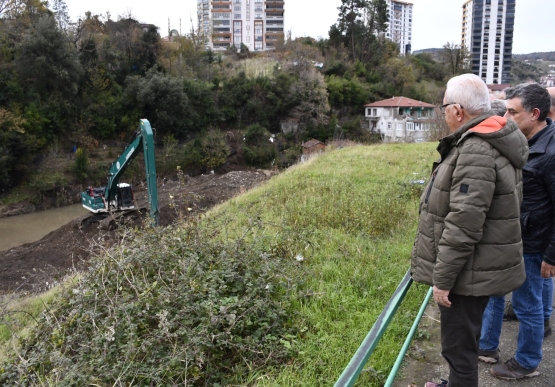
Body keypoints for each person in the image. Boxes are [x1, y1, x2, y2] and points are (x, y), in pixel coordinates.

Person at [411, 73, 528, 387]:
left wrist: (443, 279)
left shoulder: (476, 149)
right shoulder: (489, 139)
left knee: (459, 349)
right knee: (463, 343)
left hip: (468, 272)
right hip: (478, 264)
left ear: (458, 110)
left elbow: (464, 221)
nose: (444, 112)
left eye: (445, 106)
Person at [479, 84, 555, 380]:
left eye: (513, 112)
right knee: (515, 298)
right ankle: (492, 347)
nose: (506, 118)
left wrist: (551, 254)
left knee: (527, 305)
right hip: (517, 237)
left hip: (533, 244)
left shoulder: (550, 153)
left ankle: (527, 362)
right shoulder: (528, 140)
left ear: (535, 114)